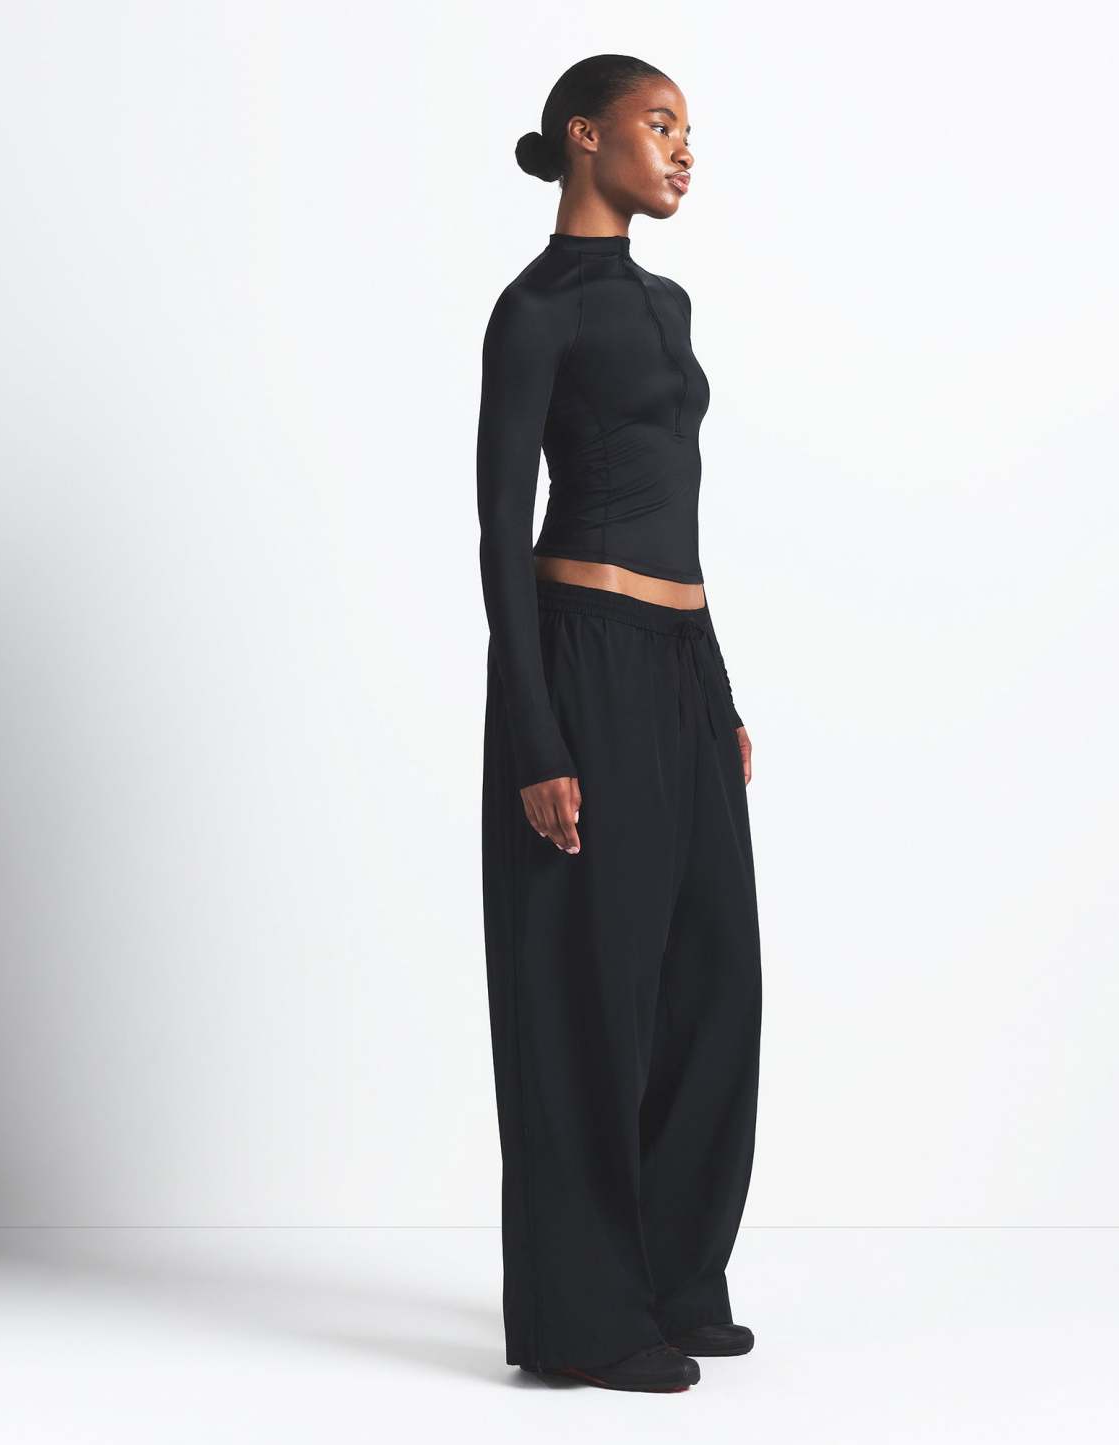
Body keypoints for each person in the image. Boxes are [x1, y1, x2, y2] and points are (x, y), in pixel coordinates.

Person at [476, 54, 762, 1394]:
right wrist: (536, 738)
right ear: (585, 137)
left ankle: (675, 1276)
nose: (682, 150)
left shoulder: (667, 303)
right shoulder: (534, 310)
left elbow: (679, 511)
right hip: (579, 657)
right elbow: (498, 530)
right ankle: (584, 1317)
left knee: (712, 981)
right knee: (588, 996)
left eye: (688, 130)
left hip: (681, 662)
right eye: (660, 125)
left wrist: (719, 694)